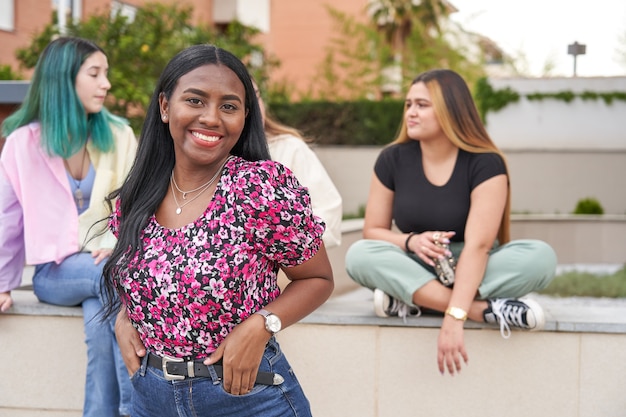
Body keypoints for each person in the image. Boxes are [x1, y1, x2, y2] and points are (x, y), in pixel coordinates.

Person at [102, 44, 334, 417]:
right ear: (165, 106)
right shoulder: (139, 193)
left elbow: (318, 278)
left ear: (245, 116)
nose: (211, 117)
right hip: (151, 398)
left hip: (249, 398)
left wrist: (262, 325)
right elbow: (151, 276)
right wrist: (128, 314)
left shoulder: (259, 188)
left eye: (228, 106)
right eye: (195, 101)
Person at [344, 69, 557, 376]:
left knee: (540, 258)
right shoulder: (392, 159)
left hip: (476, 265)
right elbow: (372, 231)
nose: (411, 113)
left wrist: (453, 320)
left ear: (451, 109)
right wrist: (411, 241)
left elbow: (479, 246)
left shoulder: (486, 162)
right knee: (360, 255)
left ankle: (411, 299)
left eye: (422, 105)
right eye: (408, 104)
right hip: (417, 264)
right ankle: (486, 310)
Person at [0, 37, 136, 416]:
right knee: (113, 281)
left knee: (101, 316)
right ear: (63, 79)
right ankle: (137, 410)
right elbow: (7, 218)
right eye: (95, 73)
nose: (106, 83)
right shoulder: (22, 143)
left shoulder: (120, 135)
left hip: (110, 265)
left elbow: (138, 204)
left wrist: (117, 243)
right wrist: (2, 283)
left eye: (105, 73)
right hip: (54, 272)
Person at [253, 81, 343, 248]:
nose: (256, 107)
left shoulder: (290, 148)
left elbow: (329, 213)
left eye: (257, 96)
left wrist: (285, 243)